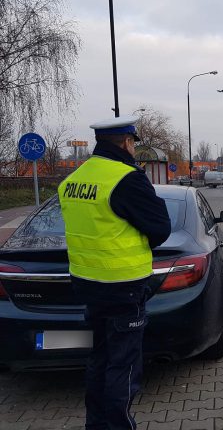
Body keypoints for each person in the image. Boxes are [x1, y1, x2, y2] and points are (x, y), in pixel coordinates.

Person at [58, 115, 171, 429]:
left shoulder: (74, 180)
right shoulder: (126, 178)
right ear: (127, 142)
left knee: (99, 360)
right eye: (133, 143)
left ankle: (95, 424)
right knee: (123, 365)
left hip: (87, 284)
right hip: (123, 286)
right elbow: (160, 228)